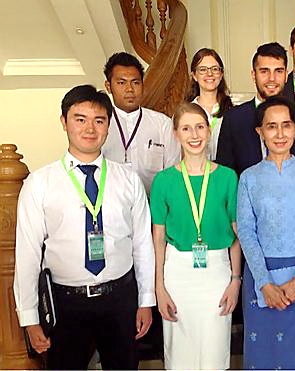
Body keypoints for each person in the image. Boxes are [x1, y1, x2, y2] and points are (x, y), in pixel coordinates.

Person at [13, 85, 155, 370]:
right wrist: (29, 317)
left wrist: (146, 300)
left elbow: (142, 243)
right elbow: (27, 252)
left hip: (119, 299)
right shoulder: (40, 183)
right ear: (64, 122)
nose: (90, 128)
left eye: (99, 120)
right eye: (80, 119)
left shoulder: (128, 180)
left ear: (108, 125)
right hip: (66, 303)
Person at [237, 96, 295, 370]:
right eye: (271, 126)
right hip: (261, 278)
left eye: (286, 125)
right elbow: (246, 231)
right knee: (262, 355)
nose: (279, 133)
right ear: (259, 132)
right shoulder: (249, 177)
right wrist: (264, 284)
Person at [150, 102, 241, 370]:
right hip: (177, 273)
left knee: (214, 353)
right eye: (186, 128)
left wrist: (235, 280)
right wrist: (159, 286)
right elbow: (158, 239)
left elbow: (236, 235)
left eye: (200, 127)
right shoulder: (164, 180)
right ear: (176, 134)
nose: (194, 135)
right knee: (180, 356)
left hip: (216, 272)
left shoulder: (227, 177)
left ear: (209, 131)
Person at [216, 42, 295, 175]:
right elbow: (225, 174)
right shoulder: (234, 119)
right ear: (253, 75)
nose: (272, 78)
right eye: (264, 71)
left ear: (286, 75)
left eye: (278, 71)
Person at [102, 52, 181, 193]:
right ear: (108, 86)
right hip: (111, 205)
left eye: (135, 82)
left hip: (153, 204)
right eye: (121, 83)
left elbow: (173, 172)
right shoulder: (100, 124)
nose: (129, 89)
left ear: (143, 85)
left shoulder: (162, 123)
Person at [187, 48, 234, 161]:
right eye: (203, 69)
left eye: (215, 69)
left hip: (225, 173)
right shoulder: (186, 113)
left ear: (221, 74)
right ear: (194, 75)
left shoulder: (233, 112)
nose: (209, 74)